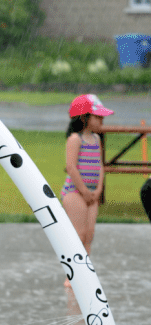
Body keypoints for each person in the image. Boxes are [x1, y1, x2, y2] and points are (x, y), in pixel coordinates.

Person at [61, 94, 111, 258]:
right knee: (78, 234)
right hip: (75, 192)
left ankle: (86, 273)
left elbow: (99, 166)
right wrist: (83, 191)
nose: (102, 121)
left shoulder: (97, 139)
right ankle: (72, 275)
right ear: (84, 117)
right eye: (98, 117)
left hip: (91, 193)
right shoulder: (76, 139)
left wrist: (98, 189)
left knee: (89, 236)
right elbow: (71, 167)